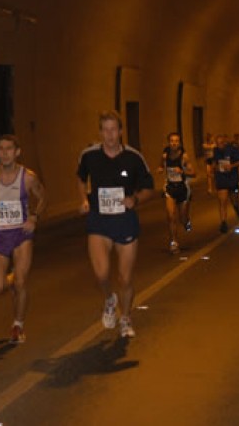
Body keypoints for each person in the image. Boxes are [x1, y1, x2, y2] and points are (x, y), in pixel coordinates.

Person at [77, 111, 154, 338]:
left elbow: (149, 188)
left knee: (125, 278)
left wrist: (135, 199)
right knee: (101, 274)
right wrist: (83, 199)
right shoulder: (89, 155)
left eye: (114, 130)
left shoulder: (134, 157)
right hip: (99, 221)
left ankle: (126, 317)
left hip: (124, 221)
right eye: (105, 130)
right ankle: (110, 299)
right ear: (100, 132)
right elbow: (80, 178)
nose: (110, 135)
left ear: (121, 132)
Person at [0, 135, 47, 343]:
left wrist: (34, 217)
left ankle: (18, 325)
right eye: (1, 149)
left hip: (21, 234)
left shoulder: (28, 177)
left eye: (9, 149)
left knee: (21, 282)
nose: (5, 153)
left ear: (17, 152)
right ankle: (12, 279)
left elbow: (43, 197)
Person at [158, 132, 196, 253]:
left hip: (182, 189)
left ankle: (186, 222)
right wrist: (160, 168)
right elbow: (161, 165)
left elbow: (194, 173)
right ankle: (174, 242)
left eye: (176, 141)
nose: (174, 143)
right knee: (170, 217)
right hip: (170, 188)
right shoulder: (165, 155)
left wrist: (182, 172)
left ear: (179, 143)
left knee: (182, 218)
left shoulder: (184, 156)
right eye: (172, 141)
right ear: (168, 142)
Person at [212, 134, 239, 233]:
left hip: (232, 178)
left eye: (221, 143)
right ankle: (223, 223)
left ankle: (237, 207)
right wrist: (215, 167)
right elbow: (214, 162)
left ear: (225, 142)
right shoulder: (215, 151)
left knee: (234, 200)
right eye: (217, 143)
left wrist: (231, 166)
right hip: (221, 178)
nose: (219, 145)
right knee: (222, 201)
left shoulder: (233, 149)